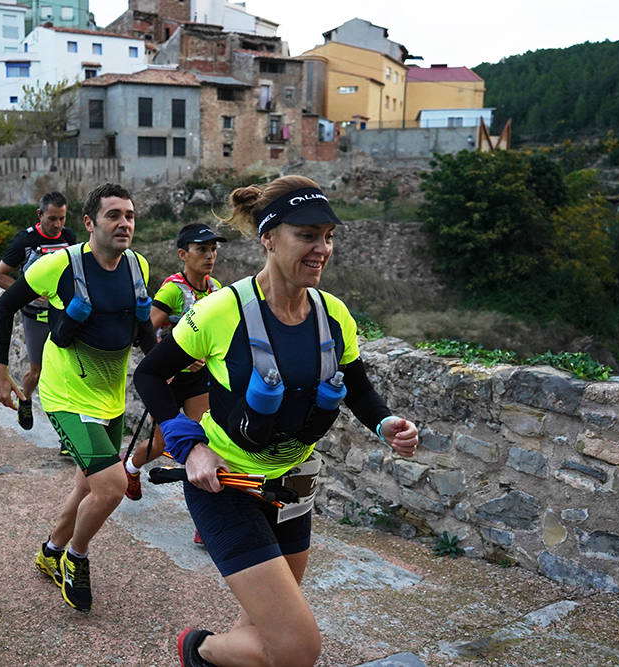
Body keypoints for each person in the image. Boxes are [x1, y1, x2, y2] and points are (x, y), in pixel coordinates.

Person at [133, 175, 419, 667]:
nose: (322, 248)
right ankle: (197, 650)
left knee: (265, 634)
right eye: (307, 235)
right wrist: (189, 445)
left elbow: (357, 386)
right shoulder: (222, 310)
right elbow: (152, 375)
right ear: (268, 238)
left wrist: (385, 422)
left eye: (328, 235)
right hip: (226, 486)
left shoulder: (334, 314)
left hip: (294, 489)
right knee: (296, 648)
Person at [0, 183, 156, 612]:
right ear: (89, 223)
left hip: (111, 399)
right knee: (112, 486)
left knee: (88, 485)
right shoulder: (59, 265)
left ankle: (49, 551)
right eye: (114, 215)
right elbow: (5, 304)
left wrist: (171, 367)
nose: (124, 223)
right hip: (65, 394)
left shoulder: (138, 266)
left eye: (130, 215)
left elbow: (142, 332)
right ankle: (75, 558)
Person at [123, 223, 225, 515]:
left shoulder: (216, 289)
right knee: (162, 443)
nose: (210, 256)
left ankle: (204, 520)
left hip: (198, 380)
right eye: (202, 249)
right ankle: (130, 466)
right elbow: (145, 332)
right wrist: (168, 362)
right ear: (183, 254)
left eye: (213, 249)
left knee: (203, 440)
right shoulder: (173, 290)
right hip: (166, 381)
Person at [0, 191, 76, 435]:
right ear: (39, 215)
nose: (57, 224)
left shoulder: (69, 237)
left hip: (64, 314)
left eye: (62, 218)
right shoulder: (24, 242)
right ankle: (26, 399)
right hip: (35, 316)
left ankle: (66, 436)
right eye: (52, 218)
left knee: (66, 373)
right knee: (37, 371)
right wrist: (31, 292)